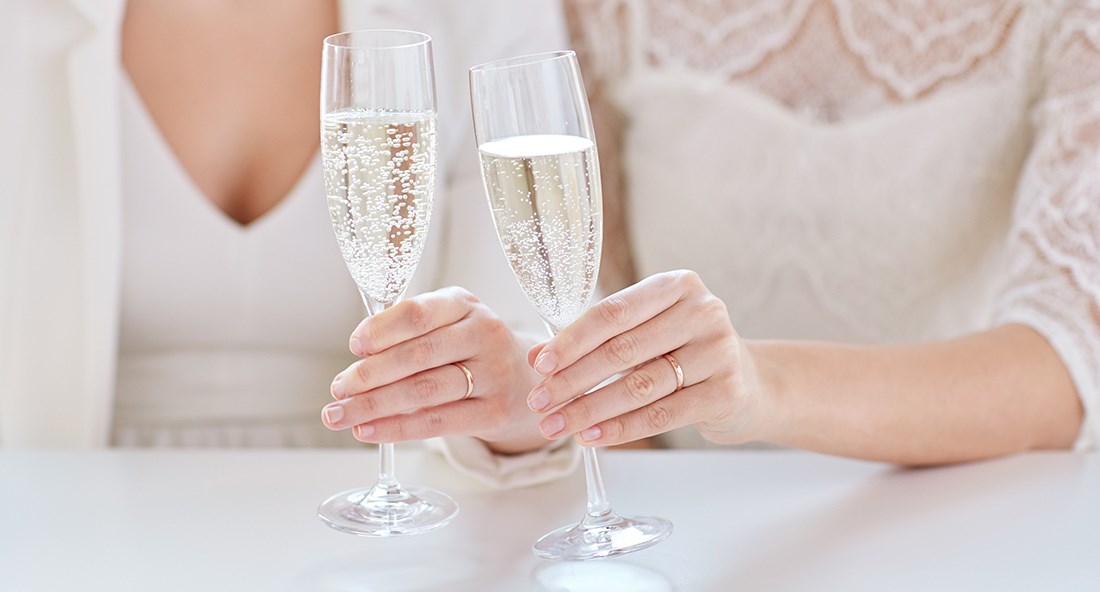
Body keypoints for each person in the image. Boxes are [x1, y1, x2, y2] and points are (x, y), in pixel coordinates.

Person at [322, 0, 1099, 466]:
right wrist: (548, 415)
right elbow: (592, 299)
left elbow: (1068, 360)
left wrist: (759, 385)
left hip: (960, 513)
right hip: (687, 534)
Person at [1, 0, 578, 487]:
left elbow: (530, 348)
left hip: (401, 524)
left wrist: (516, 396)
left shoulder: (483, 12)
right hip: (64, 515)